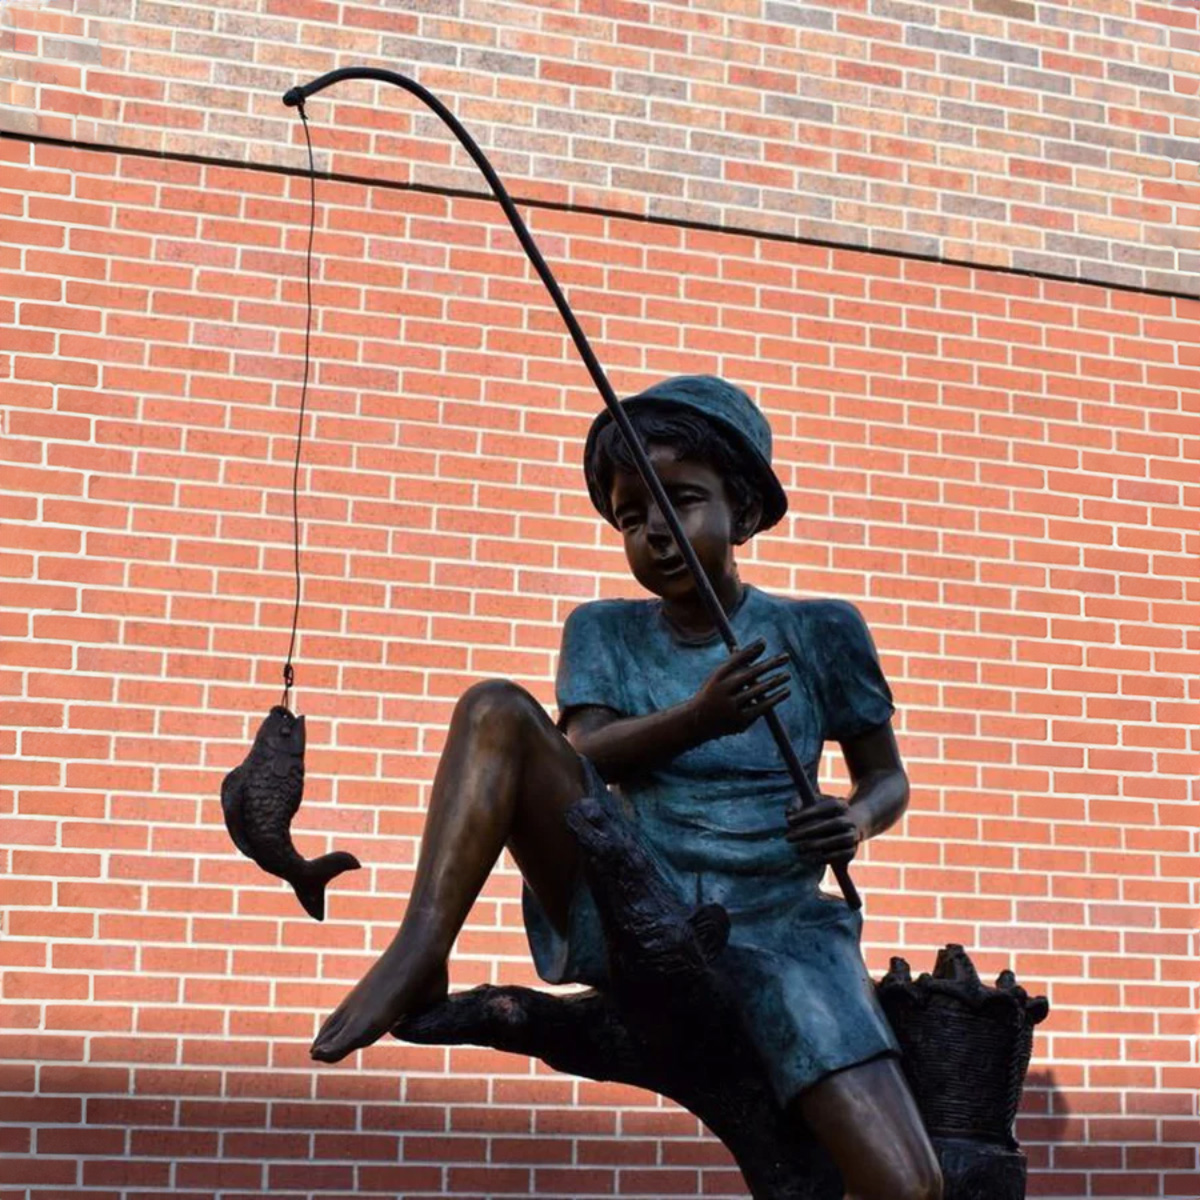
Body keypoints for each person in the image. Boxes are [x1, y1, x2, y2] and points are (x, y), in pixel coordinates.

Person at [310, 375, 942, 1200]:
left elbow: (886, 777)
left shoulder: (821, 630)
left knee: (909, 1184)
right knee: (495, 709)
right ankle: (421, 947)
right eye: (630, 515)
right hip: (633, 899)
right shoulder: (603, 630)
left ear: (744, 512)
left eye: (681, 502)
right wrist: (699, 716)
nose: (656, 533)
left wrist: (854, 821)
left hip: (784, 926)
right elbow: (586, 755)